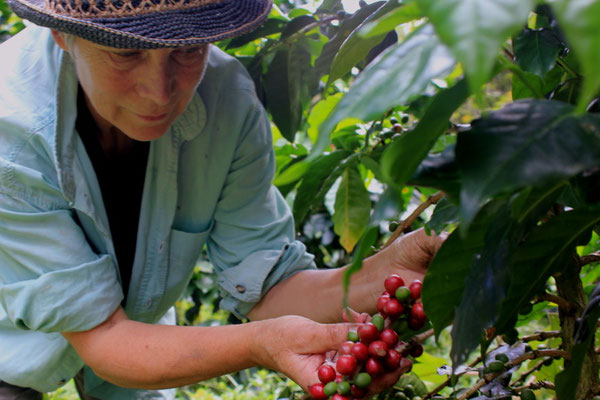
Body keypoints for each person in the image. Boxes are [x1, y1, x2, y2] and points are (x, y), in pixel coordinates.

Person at [0, 0, 444, 398]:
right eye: (126, 52)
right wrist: (261, 344)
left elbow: (271, 286)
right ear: (63, 34)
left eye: (187, 50)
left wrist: (384, 272)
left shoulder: (226, 100)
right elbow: (106, 340)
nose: (159, 91)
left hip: (136, 348)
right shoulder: (10, 131)